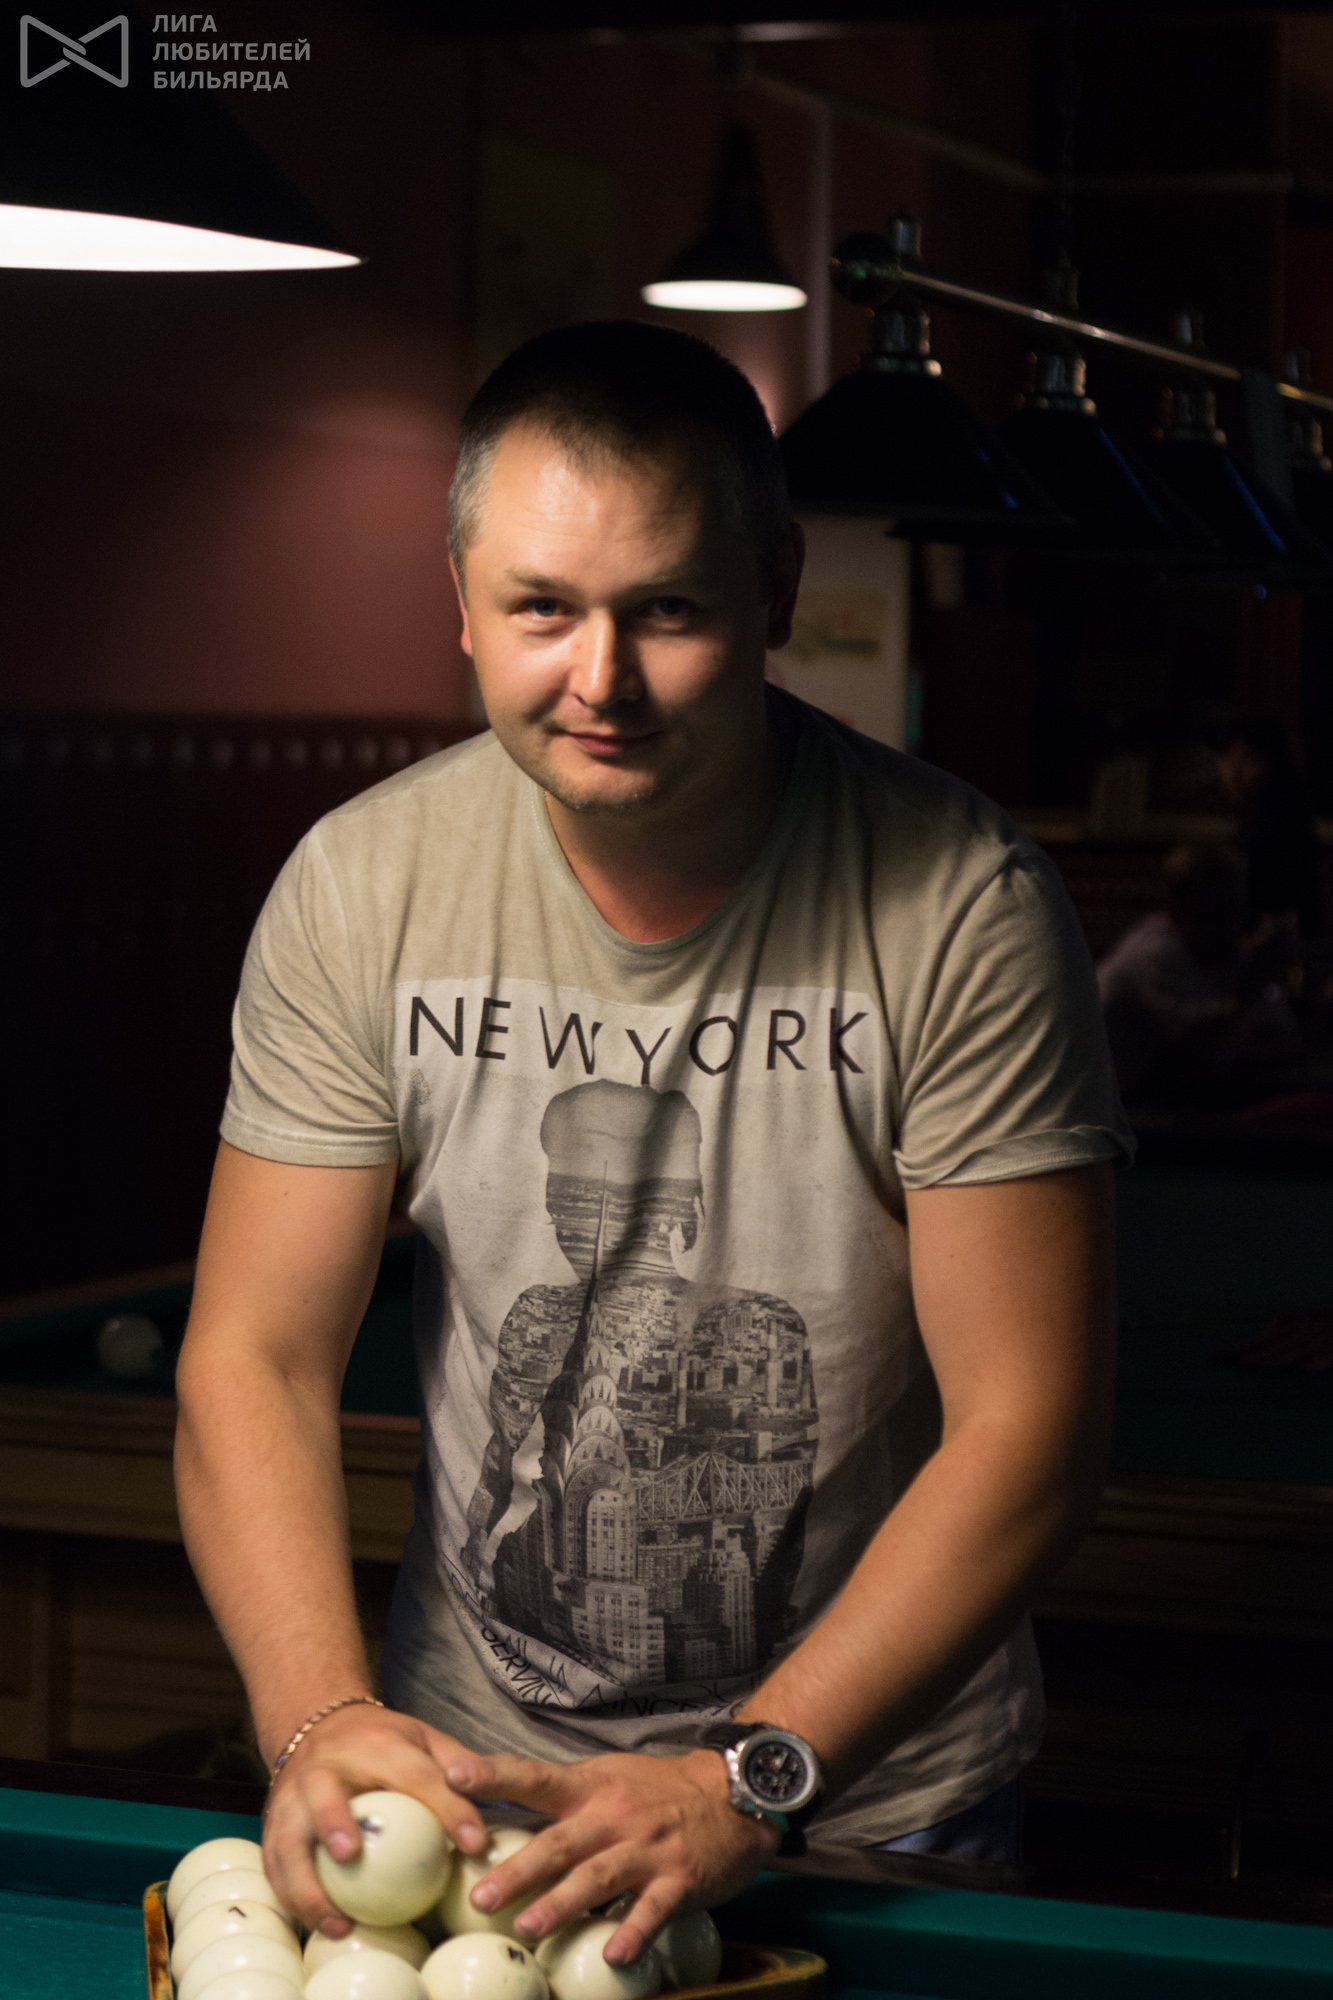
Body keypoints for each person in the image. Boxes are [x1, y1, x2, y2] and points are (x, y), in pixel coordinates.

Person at [174, 321, 1130, 1963]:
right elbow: (252, 1354)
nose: (599, 679)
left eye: (667, 610)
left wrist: (752, 1774)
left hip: (860, 1808)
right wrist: (318, 1715)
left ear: (774, 592)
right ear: (460, 598)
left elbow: (1028, 1425)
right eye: (541, 607)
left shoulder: (961, 907)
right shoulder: (360, 885)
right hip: (464, 1801)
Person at [1097, 841, 1304, 1106]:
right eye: (1215, 912)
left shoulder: (1221, 951)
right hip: (1105, 1113)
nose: (1230, 926)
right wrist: (1257, 979)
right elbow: (1210, 1052)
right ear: (1175, 906)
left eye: (1237, 910)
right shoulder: (1154, 954)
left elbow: (1288, 1038)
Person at [1215, 717, 1323, 939]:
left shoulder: (1276, 834)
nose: (1233, 772)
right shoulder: (1257, 827)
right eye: (1229, 758)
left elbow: (1279, 921)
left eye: (1248, 758)